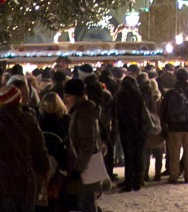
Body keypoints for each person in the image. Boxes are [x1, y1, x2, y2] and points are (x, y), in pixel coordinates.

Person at [0, 84, 49, 212]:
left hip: (0, 181)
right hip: (25, 180)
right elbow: (39, 148)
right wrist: (44, 169)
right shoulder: (28, 121)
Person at [62, 78, 104, 212]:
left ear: (76, 96)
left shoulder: (83, 113)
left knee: (86, 202)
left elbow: (88, 143)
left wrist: (78, 169)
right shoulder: (78, 111)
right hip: (81, 164)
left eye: (68, 96)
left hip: (86, 167)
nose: (65, 99)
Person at [158, 68, 188, 184]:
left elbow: (163, 111)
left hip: (174, 127)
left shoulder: (171, 93)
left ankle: (174, 175)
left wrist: (168, 123)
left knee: (174, 153)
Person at [37, 92, 70, 212]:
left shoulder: (63, 118)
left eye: (49, 106)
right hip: (50, 153)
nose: (47, 108)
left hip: (58, 153)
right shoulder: (42, 117)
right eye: (46, 106)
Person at [114, 75, 147, 191]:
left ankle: (129, 183)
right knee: (139, 156)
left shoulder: (122, 95)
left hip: (127, 130)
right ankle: (138, 181)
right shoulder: (139, 95)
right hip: (139, 129)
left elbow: (121, 114)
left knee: (129, 157)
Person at [137, 71, 164, 182]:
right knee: (159, 153)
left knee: (147, 152)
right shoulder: (159, 99)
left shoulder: (144, 99)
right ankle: (158, 174)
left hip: (149, 127)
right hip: (159, 127)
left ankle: (145, 173)